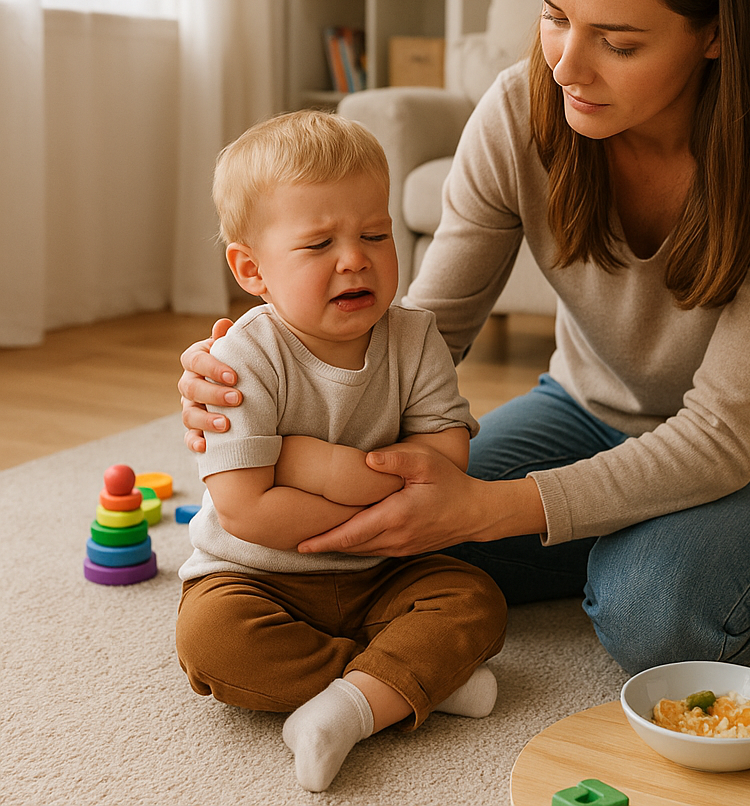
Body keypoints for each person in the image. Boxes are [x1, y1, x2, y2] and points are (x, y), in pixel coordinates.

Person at [179, 0, 750, 678]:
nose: (566, 66)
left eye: (618, 42)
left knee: (652, 614)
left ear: (715, 32)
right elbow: (419, 340)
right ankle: (648, 534)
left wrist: (487, 510)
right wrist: (259, 386)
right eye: (554, 17)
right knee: (389, 539)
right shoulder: (521, 111)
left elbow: (722, 436)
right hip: (588, 412)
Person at [175, 109, 507, 793]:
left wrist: (312, 464)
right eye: (319, 243)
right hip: (257, 575)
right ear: (252, 269)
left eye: (375, 234)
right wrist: (369, 484)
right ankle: (400, 681)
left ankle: (350, 704)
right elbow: (244, 510)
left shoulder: (414, 338)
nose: (354, 258)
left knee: (476, 599)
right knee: (211, 642)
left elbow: (446, 463)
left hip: (386, 568)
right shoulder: (244, 357)